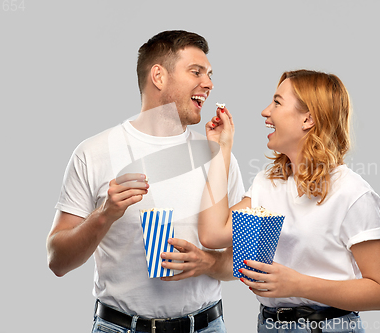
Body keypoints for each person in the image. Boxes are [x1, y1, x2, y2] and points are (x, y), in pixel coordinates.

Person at [46, 30, 245, 333]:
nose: (209, 84)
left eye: (209, 74)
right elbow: (57, 261)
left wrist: (207, 262)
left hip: (206, 326)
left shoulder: (217, 155)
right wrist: (105, 214)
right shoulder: (93, 153)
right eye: (196, 72)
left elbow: (246, 259)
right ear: (159, 76)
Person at [199, 70, 380, 332]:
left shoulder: (352, 193)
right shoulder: (268, 183)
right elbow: (213, 235)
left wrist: (298, 284)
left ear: (308, 119)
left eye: (277, 102)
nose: (265, 111)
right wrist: (221, 148)